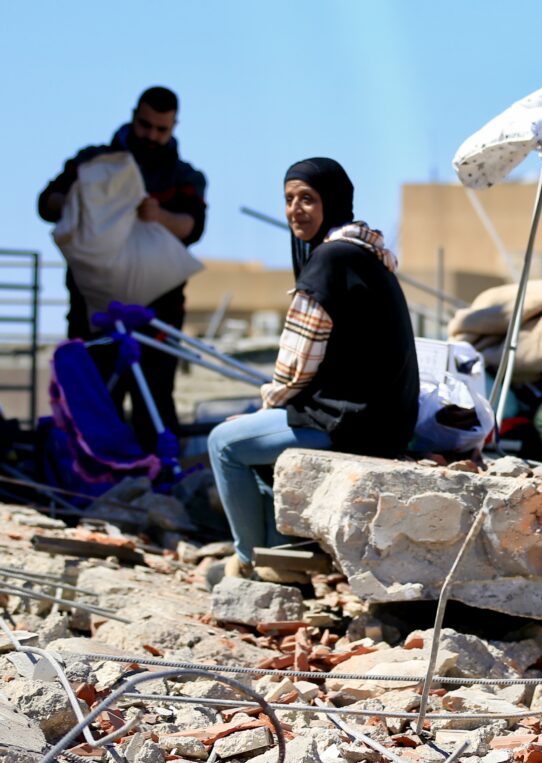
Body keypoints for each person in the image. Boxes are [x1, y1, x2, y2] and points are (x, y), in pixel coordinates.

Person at [207, 158, 419, 576]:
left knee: (225, 443)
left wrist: (266, 408)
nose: (295, 210)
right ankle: (285, 561)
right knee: (259, 446)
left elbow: (297, 363)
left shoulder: (330, 261)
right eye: (288, 200)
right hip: (382, 422)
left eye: (308, 198)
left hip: (350, 423)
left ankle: (250, 561)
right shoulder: (367, 257)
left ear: (333, 201)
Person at [37, 86, 207, 447]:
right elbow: (46, 204)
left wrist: (158, 216)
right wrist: (85, 201)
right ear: (134, 116)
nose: (151, 136)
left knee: (155, 401)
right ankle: (94, 481)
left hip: (157, 315)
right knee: (94, 400)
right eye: (145, 126)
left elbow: (193, 226)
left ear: (174, 126)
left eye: (161, 129)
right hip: (93, 313)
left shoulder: (183, 176)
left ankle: (157, 487)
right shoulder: (96, 162)